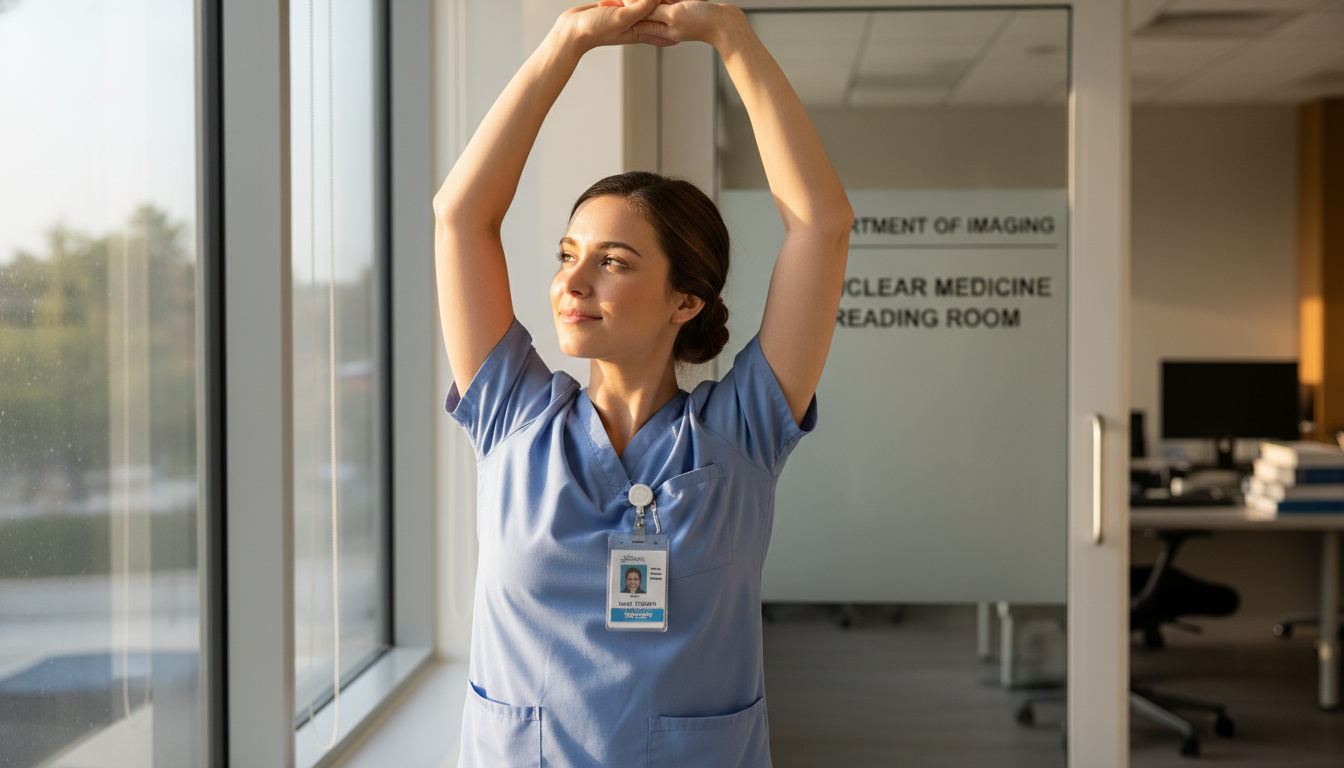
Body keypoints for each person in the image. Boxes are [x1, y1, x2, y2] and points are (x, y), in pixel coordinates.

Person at [433, 1, 851, 765]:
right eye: (568, 255)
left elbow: (822, 226)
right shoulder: (513, 417)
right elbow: (460, 218)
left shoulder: (742, 434)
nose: (572, 281)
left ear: (685, 300)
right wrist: (566, 42)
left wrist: (732, 36)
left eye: (612, 262)